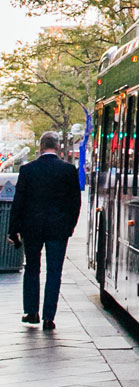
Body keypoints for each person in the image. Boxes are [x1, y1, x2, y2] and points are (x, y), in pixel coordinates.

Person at [7, 132, 83, 331]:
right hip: (58, 228)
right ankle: (49, 317)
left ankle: (31, 312)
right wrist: (70, 226)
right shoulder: (68, 170)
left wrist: (13, 230)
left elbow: (19, 202)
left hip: (32, 228)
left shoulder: (27, 170)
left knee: (32, 268)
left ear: (40, 147)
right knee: (54, 271)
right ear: (57, 147)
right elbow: (75, 202)